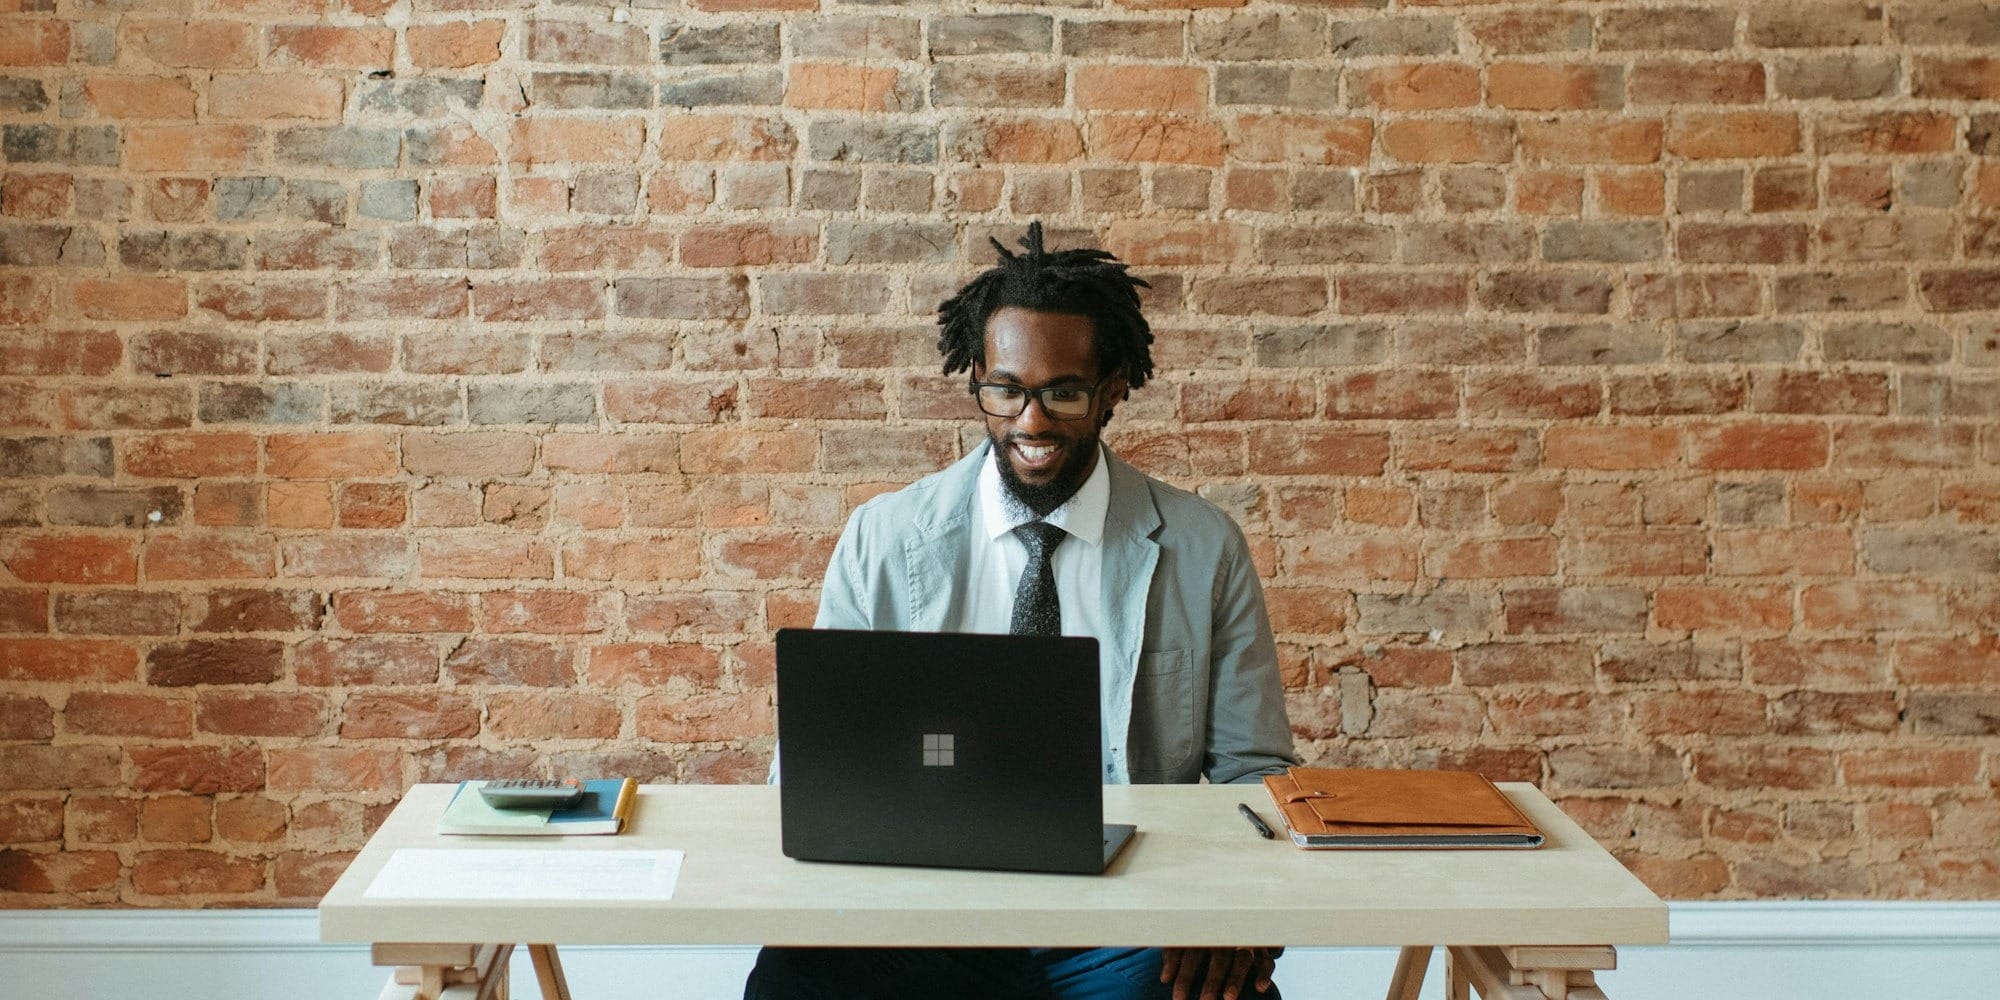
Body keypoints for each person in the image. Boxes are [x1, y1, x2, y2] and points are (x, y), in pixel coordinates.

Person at [746, 223, 1298, 1000]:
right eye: (1005, 389)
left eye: (1063, 393)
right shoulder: (885, 535)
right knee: (790, 984)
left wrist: (1237, 915)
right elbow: (815, 766)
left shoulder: (1203, 548)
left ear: (1112, 390)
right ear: (976, 378)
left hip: (1124, 926)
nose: (1031, 422)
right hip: (921, 922)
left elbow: (1257, 774)